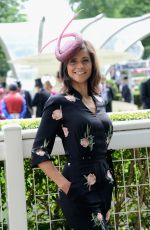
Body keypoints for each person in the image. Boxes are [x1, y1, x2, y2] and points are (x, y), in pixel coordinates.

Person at [31, 13, 114, 230]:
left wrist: (108, 181)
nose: (80, 66)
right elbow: (39, 152)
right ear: (65, 66)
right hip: (77, 187)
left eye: (85, 60)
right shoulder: (58, 102)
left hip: (104, 185)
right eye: (73, 61)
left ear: (92, 64)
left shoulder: (99, 100)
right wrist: (66, 186)